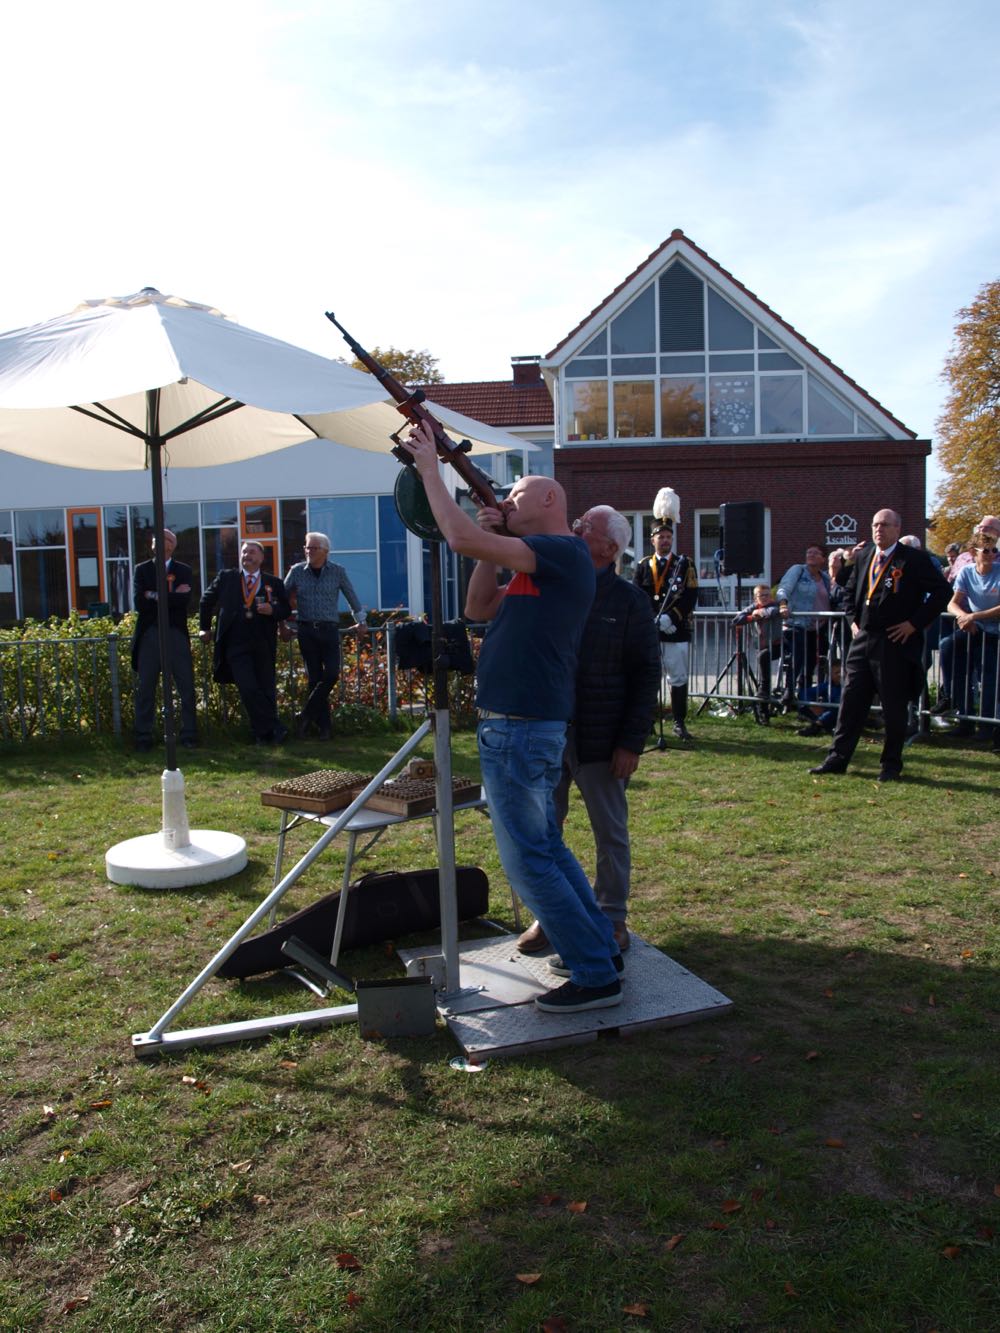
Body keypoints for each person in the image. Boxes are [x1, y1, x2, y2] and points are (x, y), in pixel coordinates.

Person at [401, 422, 622, 1014]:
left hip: (521, 725)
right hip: (520, 724)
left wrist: (431, 471)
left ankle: (596, 974)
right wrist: (493, 531)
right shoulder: (537, 564)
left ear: (550, 500)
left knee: (526, 859)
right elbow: (477, 606)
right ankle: (599, 946)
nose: (505, 500)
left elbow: (459, 539)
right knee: (545, 845)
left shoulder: (562, 551)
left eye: (516, 496)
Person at [515, 505, 659, 959]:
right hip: (550, 734)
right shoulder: (558, 585)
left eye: (587, 528)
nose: (576, 528)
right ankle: (553, 914)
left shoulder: (630, 602)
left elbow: (645, 676)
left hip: (602, 739)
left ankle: (612, 917)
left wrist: (631, 743)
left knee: (609, 833)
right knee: (544, 830)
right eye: (577, 522)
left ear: (610, 548)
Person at [809, 509, 951, 781]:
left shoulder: (914, 559)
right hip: (863, 640)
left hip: (895, 641)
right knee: (850, 702)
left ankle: (890, 765)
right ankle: (837, 759)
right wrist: (852, 621)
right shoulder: (864, 557)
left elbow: (942, 593)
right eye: (875, 525)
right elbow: (849, 593)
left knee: (893, 707)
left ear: (897, 529)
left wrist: (914, 623)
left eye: (884, 525)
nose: (878, 530)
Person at [199, 540, 291, 744]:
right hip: (235, 644)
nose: (247, 555)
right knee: (248, 687)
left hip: (263, 643)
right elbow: (206, 601)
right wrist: (204, 627)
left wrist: (272, 610)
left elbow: (285, 609)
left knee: (266, 688)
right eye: (244, 552)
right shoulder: (227, 578)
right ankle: (274, 727)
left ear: (261, 557)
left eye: (251, 552)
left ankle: (263, 735)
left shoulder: (273, 582)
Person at [284, 532, 367, 739]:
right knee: (314, 678)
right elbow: (281, 597)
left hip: (329, 629)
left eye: (313, 548)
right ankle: (324, 728)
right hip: (306, 630)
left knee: (331, 674)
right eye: (307, 548)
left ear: (325, 551)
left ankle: (305, 716)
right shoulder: (296, 572)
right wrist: (282, 624)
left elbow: (352, 597)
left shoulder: (337, 571)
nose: (309, 552)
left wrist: (362, 621)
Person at [633, 509, 699, 741]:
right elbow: (637, 596)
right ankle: (648, 720)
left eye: (669, 537)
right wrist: (653, 619)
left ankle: (679, 722)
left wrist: (672, 617)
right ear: (652, 540)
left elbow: (690, 595)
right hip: (650, 632)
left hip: (676, 631)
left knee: (678, 677)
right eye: (661, 537)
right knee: (649, 677)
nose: (665, 540)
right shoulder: (643, 565)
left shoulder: (684, 564)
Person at [131, 528, 198, 752]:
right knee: (146, 687)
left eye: (162, 539)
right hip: (150, 633)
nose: (156, 542)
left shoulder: (184, 570)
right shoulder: (142, 570)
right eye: (153, 539)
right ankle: (143, 736)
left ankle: (188, 734)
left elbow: (184, 601)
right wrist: (167, 596)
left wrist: (154, 595)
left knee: (186, 686)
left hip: (176, 633)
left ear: (172, 544)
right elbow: (140, 603)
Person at [947, 531, 1000, 749]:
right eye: (985, 551)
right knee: (947, 649)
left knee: (988, 672)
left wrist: (973, 616)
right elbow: (952, 603)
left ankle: (986, 725)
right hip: (975, 629)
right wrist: (962, 616)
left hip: (995, 631)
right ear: (973, 553)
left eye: (994, 550)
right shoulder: (967, 572)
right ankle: (963, 716)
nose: (991, 555)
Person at [776, 544, 831, 701]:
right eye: (809, 552)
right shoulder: (798, 570)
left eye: (815, 553)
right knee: (798, 655)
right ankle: (789, 690)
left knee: (812, 662)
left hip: (817, 628)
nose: (811, 555)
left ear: (823, 558)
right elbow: (784, 587)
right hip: (797, 624)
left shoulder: (825, 578)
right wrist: (783, 604)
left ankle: (804, 697)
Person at [733, 583, 783, 702]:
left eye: (767, 595)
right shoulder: (753, 607)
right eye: (761, 596)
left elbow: (772, 612)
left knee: (763, 657)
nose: (765, 598)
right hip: (762, 646)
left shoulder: (776, 605)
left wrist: (760, 613)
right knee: (762, 668)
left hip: (778, 645)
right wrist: (752, 617)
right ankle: (763, 708)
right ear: (756, 598)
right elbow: (736, 619)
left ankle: (765, 691)